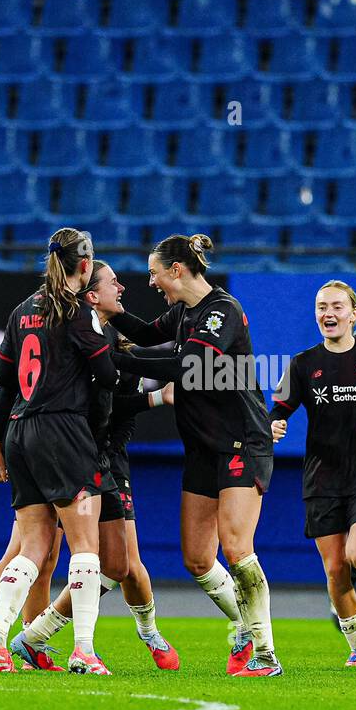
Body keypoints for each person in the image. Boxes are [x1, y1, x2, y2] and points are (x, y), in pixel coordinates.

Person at [0, 227, 117, 673]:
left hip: (20, 432)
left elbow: (3, 383)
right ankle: (84, 650)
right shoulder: (79, 312)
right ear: (85, 265)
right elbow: (107, 376)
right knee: (86, 548)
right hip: (64, 432)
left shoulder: (22, 311)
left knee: (32, 548)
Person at [106, 233, 281, 677]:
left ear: (177, 269)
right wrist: (109, 311)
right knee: (198, 558)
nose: (151, 282)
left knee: (237, 548)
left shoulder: (223, 311)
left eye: (154, 273)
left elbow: (190, 365)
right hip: (203, 446)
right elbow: (147, 334)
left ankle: (265, 654)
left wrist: (117, 362)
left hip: (242, 440)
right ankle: (246, 627)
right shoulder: (185, 311)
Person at [11, 261, 180, 671]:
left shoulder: (115, 340)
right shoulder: (73, 336)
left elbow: (121, 401)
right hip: (67, 451)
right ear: (90, 294)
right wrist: (157, 397)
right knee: (40, 554)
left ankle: (30, 638)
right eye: (113, 282)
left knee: (121, 564)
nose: (122, 288)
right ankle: (3, 638)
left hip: (104, 456)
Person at [271, 281, 356, 667]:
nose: (328, 313)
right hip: (322, 477)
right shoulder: (303, 363)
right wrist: (275, 422)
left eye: (336, 306)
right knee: (335, 569)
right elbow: (279, 406)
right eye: (321, 307)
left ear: (353, 313)